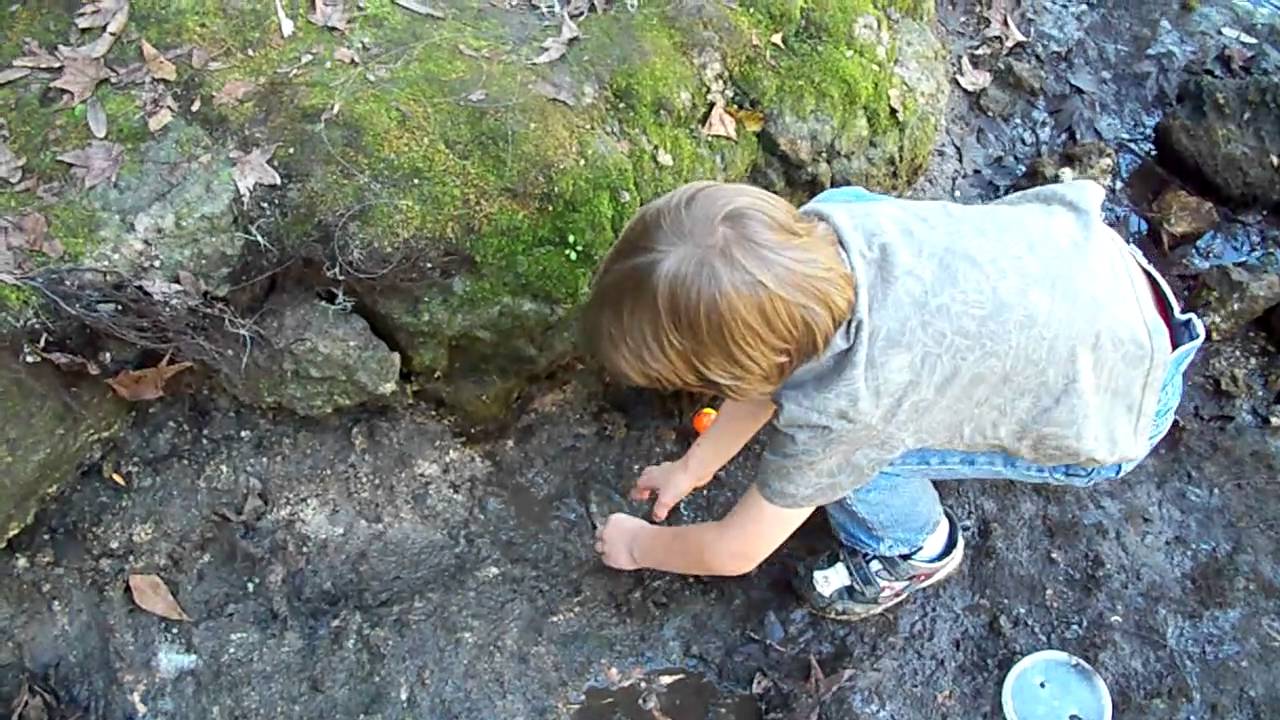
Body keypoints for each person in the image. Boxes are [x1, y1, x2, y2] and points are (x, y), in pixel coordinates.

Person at [582, 180, 1204, 621]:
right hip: (1107, 275)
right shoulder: (833, 221)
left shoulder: (847, 405)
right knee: (861, 431)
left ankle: (915, 551)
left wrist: (640, 546)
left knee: (853, 468)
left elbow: (736, 549)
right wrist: (695, 467)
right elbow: (770, 377)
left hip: (1124, 403)